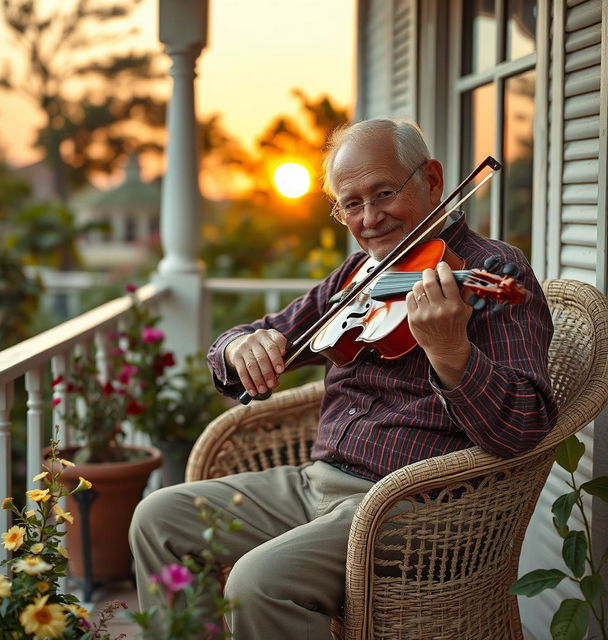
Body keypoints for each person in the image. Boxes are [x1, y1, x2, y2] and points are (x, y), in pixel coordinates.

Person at [129, 118, 558, 639]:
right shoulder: (358, 276)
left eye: (383, 193)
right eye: (351, 204)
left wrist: (452, 354)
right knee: (158, 516)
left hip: (418, 506)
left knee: (257, 582)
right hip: (316, 485)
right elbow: (250, 338)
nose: (370, 218)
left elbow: (526, 427)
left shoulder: (492, 269)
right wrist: (241, 345)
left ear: (434, 181)